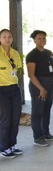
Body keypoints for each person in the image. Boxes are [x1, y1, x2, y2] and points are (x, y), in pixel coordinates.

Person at [26, 30, 53, 147]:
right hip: (38, 84)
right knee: (37, 111)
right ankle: (37, 137)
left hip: (50, 83)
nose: (42, 40)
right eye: (39, 38)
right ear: (34, 40)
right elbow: (31, 75)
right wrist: (41, 88)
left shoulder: (49, 52)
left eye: (44, 38)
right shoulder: (32, 55)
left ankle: (46, 133)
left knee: (46, 109)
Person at [0, 29, 23, 158]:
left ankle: (12, 145)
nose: (7, 39)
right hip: (1, 90)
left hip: (14, 89)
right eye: (4, 37)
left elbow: (18, 70)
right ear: (0, 39)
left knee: (15, 119)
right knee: (5, 119)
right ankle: (3, 147)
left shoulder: (15, 53)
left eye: (9, 36)